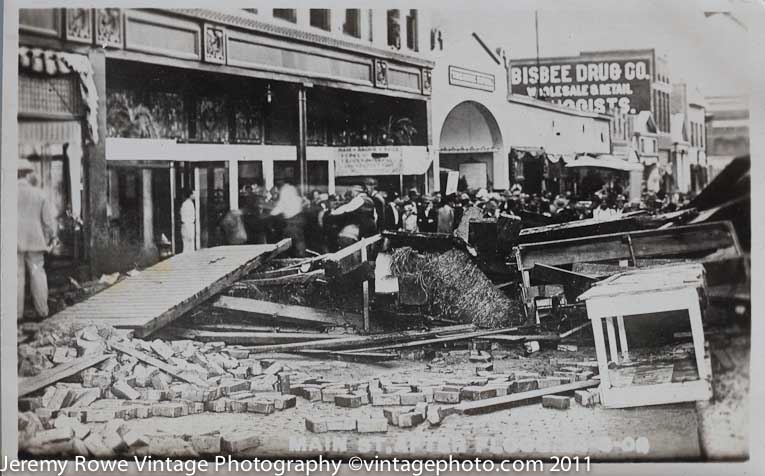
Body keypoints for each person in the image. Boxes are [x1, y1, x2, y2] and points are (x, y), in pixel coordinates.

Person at [17, 159, 57, 320]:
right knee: (37, 273)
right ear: (28, 175)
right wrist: (52, 236)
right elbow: (47, 221)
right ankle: (42, 311)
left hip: (13, 241)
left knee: (16, 276)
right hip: (35, 240)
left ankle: (16, 314)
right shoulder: (39, 194)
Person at [270, 183, 307, 257]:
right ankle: (300, 257)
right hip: (298, 220)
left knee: (291, 242)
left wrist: (270, 212)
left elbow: (276, 211)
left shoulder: (285, 191)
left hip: (292, 222)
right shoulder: (293, 192)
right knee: (298, 241)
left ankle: (298, 257)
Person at [180, 188, 197, 253]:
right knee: (187, 245)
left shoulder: (188, 203)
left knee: (189, 245)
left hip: (189, 225)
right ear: (190, 195)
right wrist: (188, 229)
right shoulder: (187, 204)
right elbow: (185, 217)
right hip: (187, 225)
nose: (195, 195)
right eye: (194, 194)